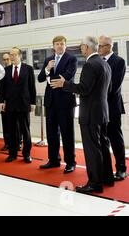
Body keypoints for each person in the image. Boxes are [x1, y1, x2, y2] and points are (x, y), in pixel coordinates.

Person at [51, 36, 114, 194]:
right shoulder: (105, 63)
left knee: (92, 149)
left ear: (87, 47)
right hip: (102, 112)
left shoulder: (90, 65)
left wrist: (64, 84)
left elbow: (84, 88)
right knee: (103, 146)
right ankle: (107, 177)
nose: (80, 49)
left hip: (91, 114)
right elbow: (109, 89)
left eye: (81, 46)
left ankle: (94, 183)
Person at [38, 36, 77, 173]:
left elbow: (68, 76)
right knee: (52, 133)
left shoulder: (71, 59)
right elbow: (40, 78)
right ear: (53, 46)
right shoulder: (48, 59)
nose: (60, 46)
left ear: (66, 46)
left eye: (62, 44)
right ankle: (53, 160)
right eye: (57, 44)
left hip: (65, 101)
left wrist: (51, 78)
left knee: (67, 133)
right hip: (51, 102)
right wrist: (47, 70)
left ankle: (70, 162)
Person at [0, 47, 36, 163]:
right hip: (10, 104)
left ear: (20, 56)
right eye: (11, 55)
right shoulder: (7, 70)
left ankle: (26, 154)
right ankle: (12, 154)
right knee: (12, 130)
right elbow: (2, 88)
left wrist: (33, 102)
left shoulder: (28, 69)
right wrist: (1, 101)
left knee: (25, 130)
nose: (12, 57)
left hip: (24, 104)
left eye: (14, 55)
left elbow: (31, 87)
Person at [98, 35, 127, 181]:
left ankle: (121, 168)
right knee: (103, 140)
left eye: (101, 46)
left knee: (115, 138)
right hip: (99, 107)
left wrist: (94, 92)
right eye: (98, 45)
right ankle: (105, 169)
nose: (98, 48)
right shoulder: (98, 61)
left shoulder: (119, 62)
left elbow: (114, 87)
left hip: (112, 107)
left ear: (109, 46)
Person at [0, 53, 12, 151]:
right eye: (4, 59)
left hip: (15, 102)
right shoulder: (1, 72)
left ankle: (18, 142)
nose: (6, 61)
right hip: (4, 103)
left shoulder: (16, 70)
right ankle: (7, 143)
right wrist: (1, 101)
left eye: (7, 59)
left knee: (17, 124)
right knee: (5, 124)